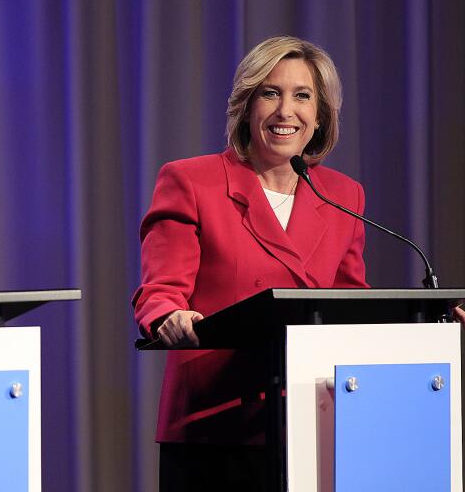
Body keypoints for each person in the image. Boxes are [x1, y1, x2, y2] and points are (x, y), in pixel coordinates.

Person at [132, 36, 368, 491]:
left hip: (311, 419)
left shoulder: (343, 194)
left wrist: (437, 324)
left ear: (319, 117)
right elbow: (161, 287)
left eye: (302, 96)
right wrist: (168, 316)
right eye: (270, 93)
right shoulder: (191, 180)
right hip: (214, 425)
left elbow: (350, 304)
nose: (286, 112)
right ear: (246, 105)